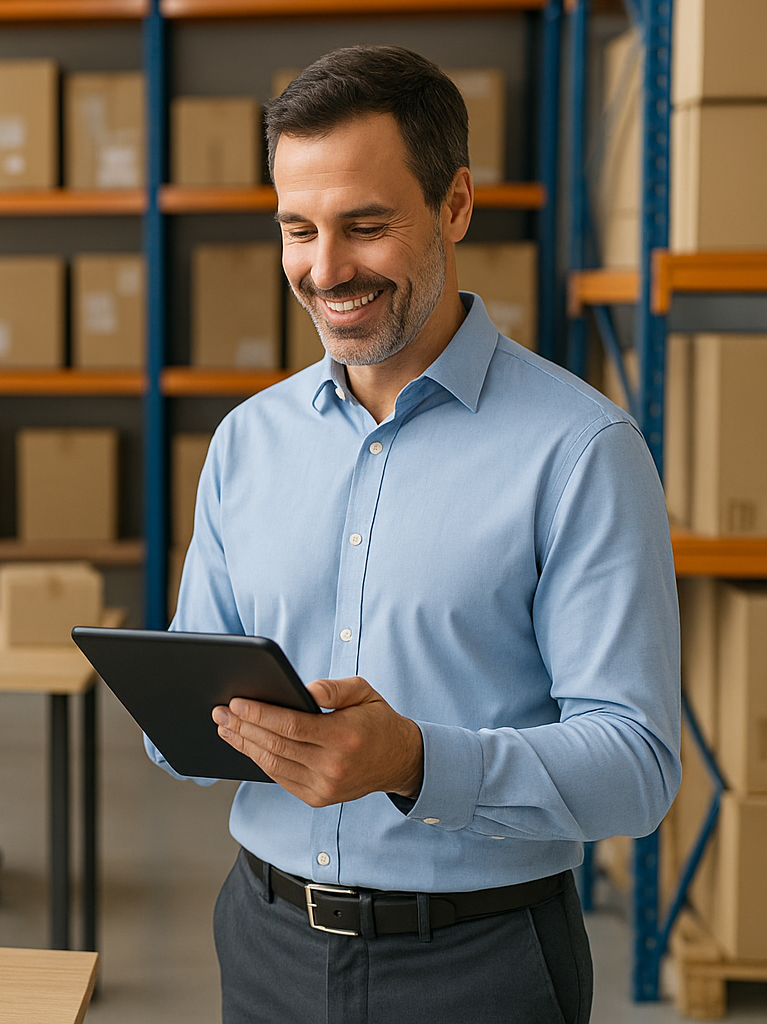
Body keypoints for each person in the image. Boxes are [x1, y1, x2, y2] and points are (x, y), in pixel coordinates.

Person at [163, 46, 681, 1024]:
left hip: (481, 965)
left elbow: (638, 767)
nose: (325, 270)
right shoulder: (247, 443)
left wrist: (413, 761)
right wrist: (191, 722)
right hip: (265, 938)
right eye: (298, 230)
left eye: (365, 226)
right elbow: (195, 701)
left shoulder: (581, 449)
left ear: (455, 205)